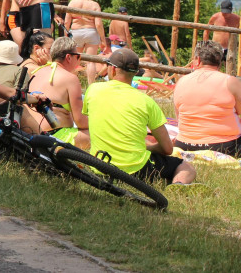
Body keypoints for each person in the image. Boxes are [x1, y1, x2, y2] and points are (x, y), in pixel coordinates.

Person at [84, 48, 196, 184]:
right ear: (136, 72)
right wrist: (150, 147)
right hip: (135, 169)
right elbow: (167, 149)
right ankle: (178, 185)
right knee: (186, 167)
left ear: (112, 70)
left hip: (99, 165)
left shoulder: (93, 90)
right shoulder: (146, 102)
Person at [173, 40, 241, 157]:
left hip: (185, 144)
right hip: (225, 146)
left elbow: (179, 116)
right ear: (220, 62)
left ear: (198, 60)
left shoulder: (181, 82)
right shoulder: (230, 82)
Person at [21, 37, 90, 149]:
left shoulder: (36, 72)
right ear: (68, 57)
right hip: (55, 135)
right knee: (100, 134)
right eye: (78, 56)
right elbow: (80, 121)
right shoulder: (70, 79)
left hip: (30, 132)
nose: (79, 60)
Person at [66, 0, 107, 84]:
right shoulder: (94, 5)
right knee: (91, 62)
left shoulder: (72, 3)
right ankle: (91, 85)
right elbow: (98, 24)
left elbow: (67, 21)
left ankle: (72, 84)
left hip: (76, 32)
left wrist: (65, 35)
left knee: (74, 60)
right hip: (91, 32)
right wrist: (103, 40)